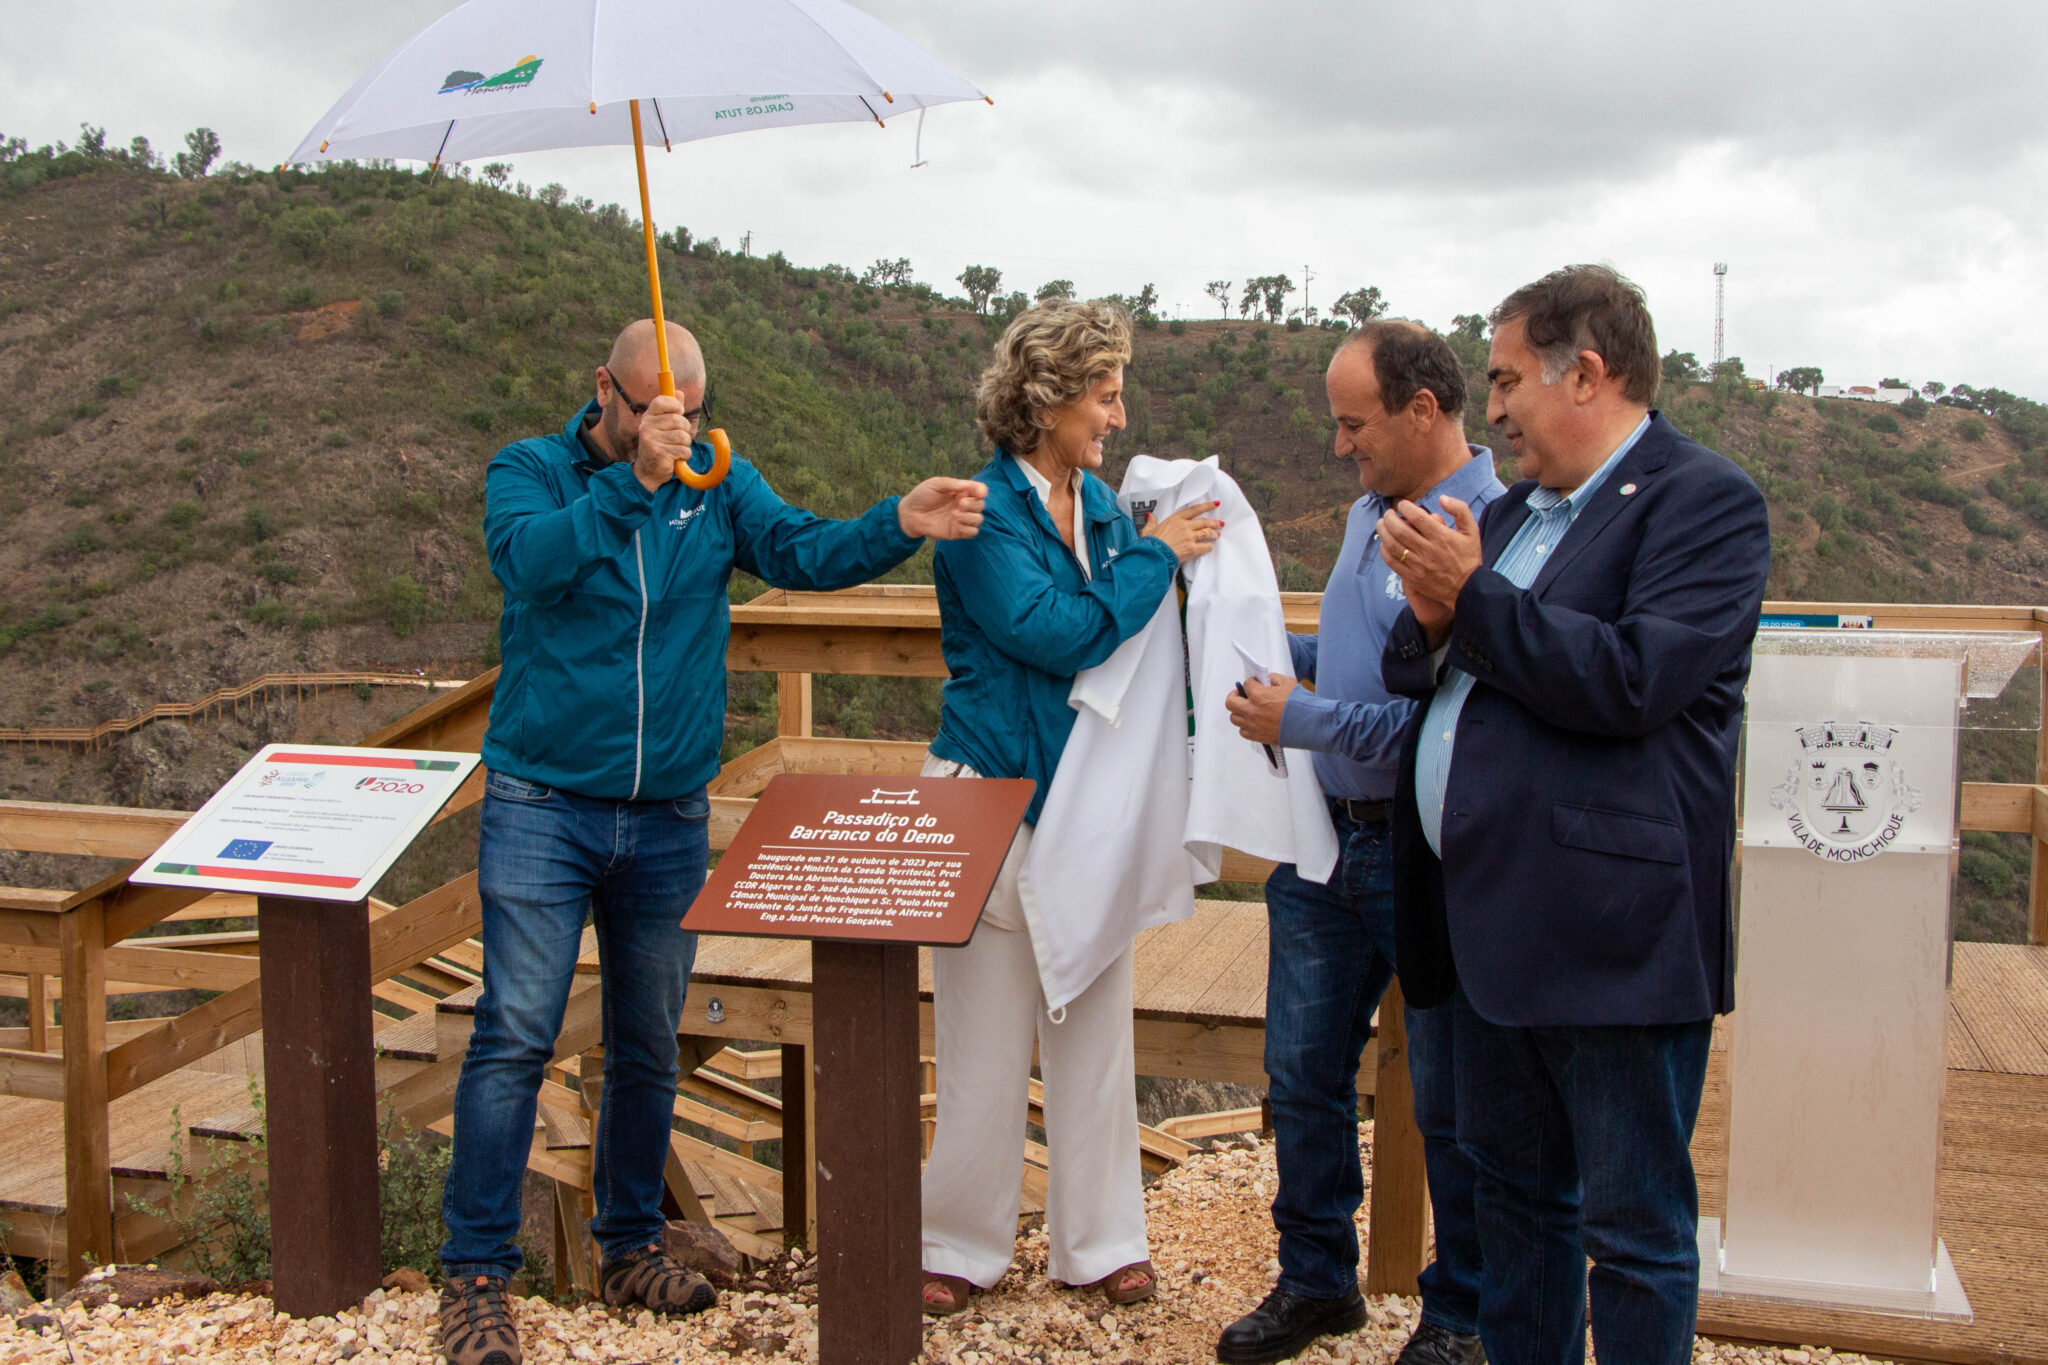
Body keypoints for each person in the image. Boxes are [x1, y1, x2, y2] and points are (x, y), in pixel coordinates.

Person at [437, 319, 989, 1365]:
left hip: (667, 813)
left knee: (647, 1041)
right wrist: (631, 485)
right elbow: (528, 567)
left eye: (683, 409)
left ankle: (630, 1246)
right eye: (648, 407)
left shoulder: (718, 481)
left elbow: (799, 551)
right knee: (514, 1034)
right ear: (604, 390)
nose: (669, 426)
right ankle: (474, 1281)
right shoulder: (531, 471)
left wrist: (896, 522)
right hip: (541, 804)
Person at [1377, 266, 1771, 1365]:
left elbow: (1634, 681)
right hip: (1486, 929)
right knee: (1515, 1213)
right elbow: (1427, 669)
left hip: (1612, 935)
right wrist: (1432, 616)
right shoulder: (1504, 514)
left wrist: (1474, 601)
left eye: (1504, 380)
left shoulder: (1706, 503)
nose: (1489, 407)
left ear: (1584, 373)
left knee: (1633, 1231)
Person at [918, 299, 1222, 1316]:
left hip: (1086, 799)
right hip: (986, 797)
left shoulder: (1098, 508)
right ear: (1047, 398)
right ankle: (956, 1247)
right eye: (1104, 394)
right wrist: (1156, 557)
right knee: (978, 1034)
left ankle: (1101, 1245)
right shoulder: (976, 511)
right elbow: (1051, 631)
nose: (1118, 416)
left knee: (1095, 1021)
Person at [1219, 322, 1500, 1365]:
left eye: (1352, 424)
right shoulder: (1365, 516)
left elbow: (1442, 725)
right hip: (1320, 845)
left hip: (1427, 854)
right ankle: (1315, 1283)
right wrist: (1244, 645)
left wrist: (1300, 720)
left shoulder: (1485, 531)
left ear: (1420, 410)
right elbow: (1346, 661)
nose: (1339, 445)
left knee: (1450, 1096)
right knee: (1298, 1074)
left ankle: (1460, 1314)